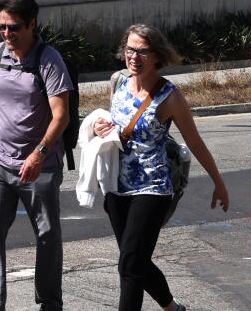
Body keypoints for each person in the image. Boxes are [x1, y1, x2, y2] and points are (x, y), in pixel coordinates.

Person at [92, 24, 230, 311]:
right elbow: (115, 124)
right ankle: (172, 308)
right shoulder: (118, 82)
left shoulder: (170, 96)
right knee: (134, 260)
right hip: (116, 186)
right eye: (130, 49)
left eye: (143, 51)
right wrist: (99, 125)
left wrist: (218, 182)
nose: (134, 56)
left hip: (152, 187)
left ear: (157, 55)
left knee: (129, 265)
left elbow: (195, 142)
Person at [0, 0, 72, 311]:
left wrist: (38, 153)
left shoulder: (49, 60)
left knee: (47, 235)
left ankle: (50, 302)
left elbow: (61, 114)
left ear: (32, 24)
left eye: (14, 27)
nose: (7, 34)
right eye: (2, 27)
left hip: (40, 166)